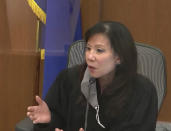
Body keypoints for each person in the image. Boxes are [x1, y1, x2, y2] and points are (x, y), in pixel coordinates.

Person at [27, 21, 158, 131]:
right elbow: (57, 120)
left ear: (119, 57)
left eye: (99, 50)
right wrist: (48, 120)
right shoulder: (69, 79)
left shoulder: (142, 91)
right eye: (88, 48)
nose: (90, 56)